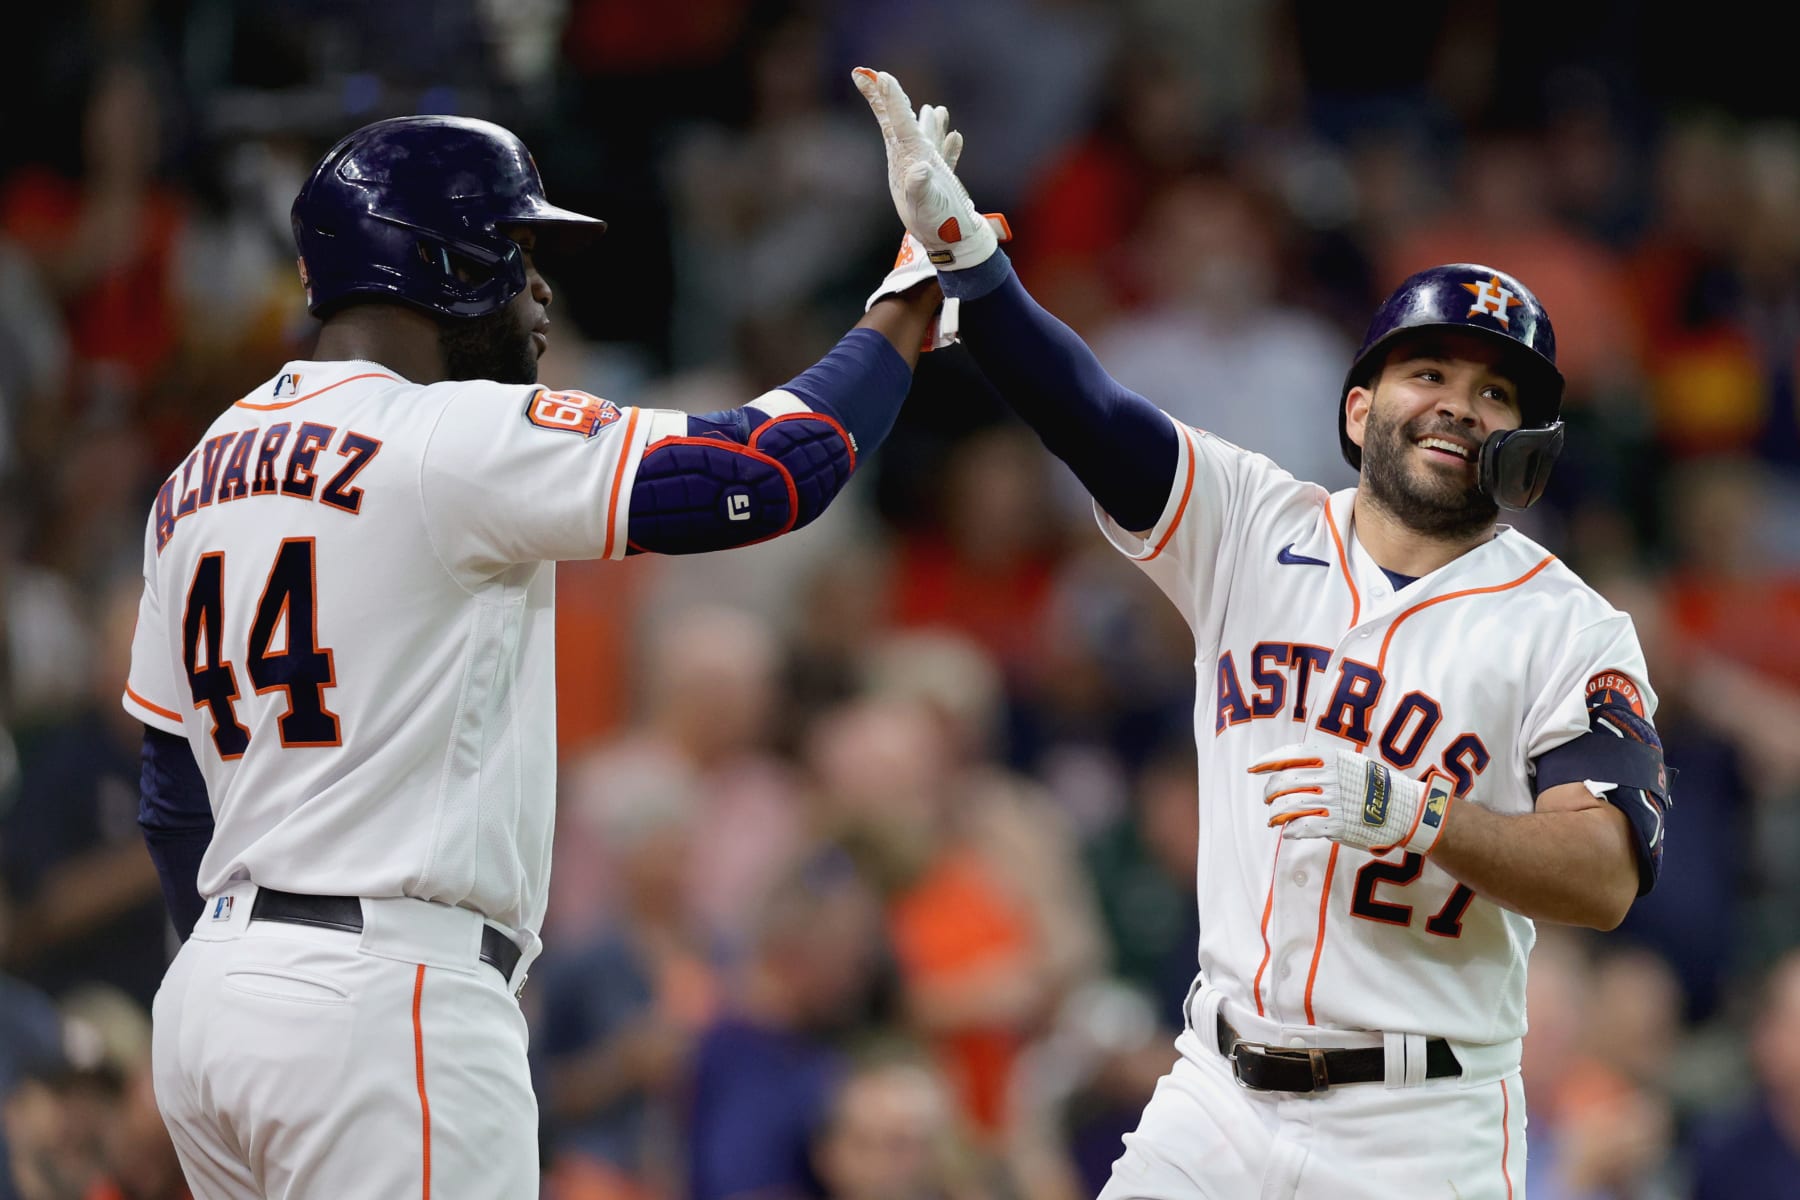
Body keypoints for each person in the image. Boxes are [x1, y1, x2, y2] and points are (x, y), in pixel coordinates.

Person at [853, 69, 1676, 1199]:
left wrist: (1417, 813)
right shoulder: (1249, 521)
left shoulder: (1569, 627)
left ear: (1526, 442)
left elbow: (1603, 875)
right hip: (1217, 1093)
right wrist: (968, 260)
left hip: (1420, 1121)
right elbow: (1085, 407)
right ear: (1357, 409)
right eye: (1427, 371)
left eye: (1496, 394)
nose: (1457, 404)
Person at [120, 113, 943, 1199]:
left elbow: (173, 796)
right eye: (516, 254)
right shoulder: (443, 438)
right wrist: (911, 296)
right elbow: (770, 470)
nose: (539, 292)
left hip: (215, 1002)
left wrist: (251, 971)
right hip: (384, 994)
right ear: (440, 263)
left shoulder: (198, 473)